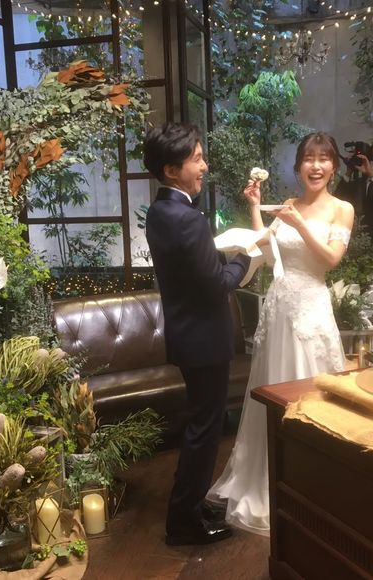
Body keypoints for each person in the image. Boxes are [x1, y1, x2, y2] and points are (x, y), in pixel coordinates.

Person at [207, 132, 354, 536]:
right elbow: (270, 254)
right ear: (298, 166)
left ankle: (311, 481)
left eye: (324, 158)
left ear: (334, 167)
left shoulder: (342, 209)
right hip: (279, 308)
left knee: (312, 390)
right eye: (309, 158)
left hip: (311, 308)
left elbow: (330, 259)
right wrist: (256, 207)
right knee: (274, 388)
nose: (316, 166)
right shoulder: (289, 204)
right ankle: (270, 477)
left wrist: (300, 225)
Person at [143, 122, 252, 546]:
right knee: (205, 430)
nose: (204, 166)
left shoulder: (160, 211)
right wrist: (247, 257)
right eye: (197, 159)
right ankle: (184, 520)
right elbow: (217, 284)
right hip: (205, 340)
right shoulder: (186, 219)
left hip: (190, 337)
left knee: (201, 426)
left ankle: (190, 505)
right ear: (172, 170)